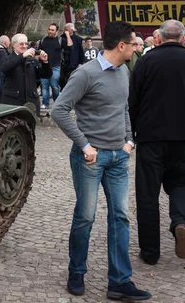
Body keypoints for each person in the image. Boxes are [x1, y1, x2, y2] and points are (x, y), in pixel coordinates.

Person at [51, 21, 151, 301]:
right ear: (121, 45)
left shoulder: (123, 72)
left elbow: (123, 109)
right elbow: (59, 110)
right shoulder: (86, 74)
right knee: (85, 217)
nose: (136, 47)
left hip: (119, 157)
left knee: (120, 217)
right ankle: (76, 271)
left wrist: (130, 140)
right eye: (133, 43)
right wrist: (84, 144)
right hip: (90, 160)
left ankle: (119, 282)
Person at [129, 19, 185, 266]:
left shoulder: (146, 61)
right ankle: (180, 222)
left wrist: (135, 130)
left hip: (150, 136)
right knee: (181, 185)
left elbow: (132, 100)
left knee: (147, 195)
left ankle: (150, 252)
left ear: (158, 38)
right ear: (182, 38)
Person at [0, 34, 51, 116]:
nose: (24, 46)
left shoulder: (32, 60)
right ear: (13, 44)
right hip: (13, 103)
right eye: (21, 44)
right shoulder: (7, 58)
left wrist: (45, 62)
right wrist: (22, 56)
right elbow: (5, 68)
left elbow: (45, 75)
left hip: (31, 103)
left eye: (26, 44)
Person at [39, 24, 65, 109]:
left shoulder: (60, 40)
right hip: (44, 66)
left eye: (52, 30)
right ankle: (45, 103)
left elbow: (69, 47)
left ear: (56, 31)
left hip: (55, 66)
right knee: (45, 86)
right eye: (49, 29)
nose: (50, 31)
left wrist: (68, 35)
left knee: (54, 86)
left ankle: (57, 103)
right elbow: (39, 51)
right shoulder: (43, 40)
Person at [59, 23, 85, 90]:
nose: (65, 31)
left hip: (74, 63)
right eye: (65, 29)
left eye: (67, 29)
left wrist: (80, 63)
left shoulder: (78, 39)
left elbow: (80, 51)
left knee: (72, 80)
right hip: (64, 63)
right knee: (62, 81)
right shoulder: (62, 38)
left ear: (71, 30)